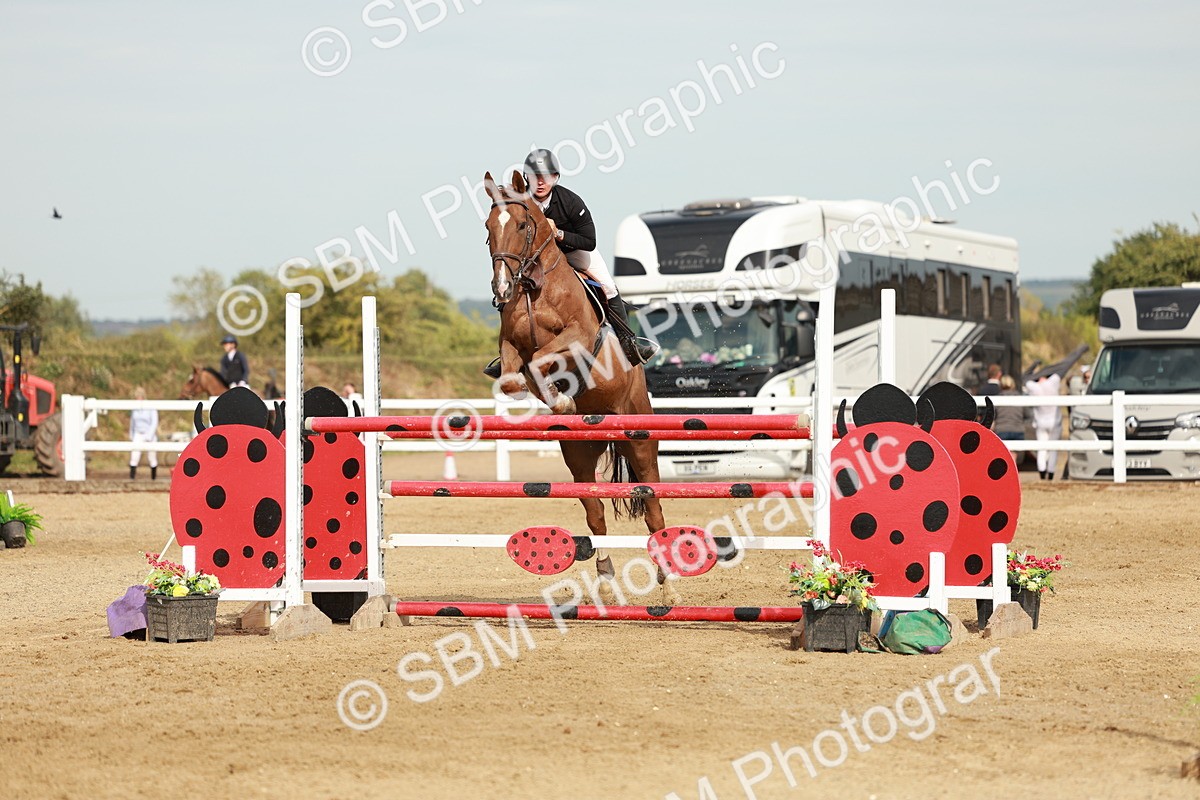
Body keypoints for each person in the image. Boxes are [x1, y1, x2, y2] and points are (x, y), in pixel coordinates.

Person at [483, 149, 658, 378]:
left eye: (546, 176)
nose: (540, 182)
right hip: (537, 258)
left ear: (555, 178)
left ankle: (629, 342)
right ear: (526, 179)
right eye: (534, 177)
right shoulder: (521, 202)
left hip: (574, 252)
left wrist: (559, 234)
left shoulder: (570, 202)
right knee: (508, 286)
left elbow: (590, 241)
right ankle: (506, 353)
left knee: (607, 286)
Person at [1025, 371, 1063, 480]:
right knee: (1053, 449)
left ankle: (1042, 471)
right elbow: (1058, 373)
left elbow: (1026, 380)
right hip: (1054, 422)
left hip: (1041, 422)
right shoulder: (1052, 383)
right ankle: (1051, 472)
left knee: (1042, 448)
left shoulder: (1034, 387)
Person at [129, 386, 158, 480]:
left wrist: (149, 435)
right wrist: (131, 434)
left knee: (152, 457)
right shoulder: (135, 408)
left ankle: (153, 478)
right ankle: (132, 477)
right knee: (134, 455)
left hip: (149, 433)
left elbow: (154, 422)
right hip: (138, 433)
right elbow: (132, 422)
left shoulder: (150, 407)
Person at [992, 374, 1025, 442]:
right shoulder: (1019, 398)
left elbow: (993, 415)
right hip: (1018, 430)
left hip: (1002, 430)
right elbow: (1027, 414)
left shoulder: (998, 398)